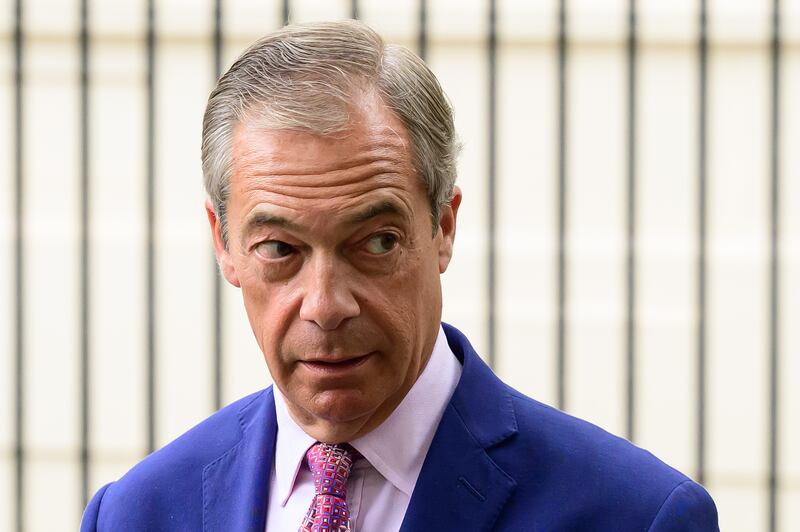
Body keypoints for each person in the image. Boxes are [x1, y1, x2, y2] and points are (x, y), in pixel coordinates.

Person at [81, 20, 718, 532]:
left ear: (443, 226)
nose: (325, 306)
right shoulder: (135, 513)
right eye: (280, 249)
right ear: (224, 243)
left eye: (376, 242)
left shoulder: (635, 515)